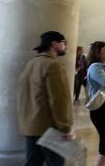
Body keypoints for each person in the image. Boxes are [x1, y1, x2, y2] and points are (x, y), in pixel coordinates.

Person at [18, 31, 74, 166]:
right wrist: (65, 127)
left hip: (31, 126)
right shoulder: (53, 65)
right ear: (54, 44)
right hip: (49, 128)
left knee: (33, 163)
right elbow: (59, 101)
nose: (66, 46)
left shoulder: (32, 63)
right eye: (64, 43)